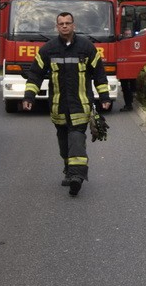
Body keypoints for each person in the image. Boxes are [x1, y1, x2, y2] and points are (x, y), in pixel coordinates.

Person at [22, 12, 111, 197]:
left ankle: (77, 177)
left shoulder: (87, 48)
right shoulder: (48, 49)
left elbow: (99, 74)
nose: (64, 26)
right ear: (57, 27)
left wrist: (104, 97)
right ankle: (68, 169)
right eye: (61, 23)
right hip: (58, 106)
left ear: (74, 25)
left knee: (77, 138)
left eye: (67, 23)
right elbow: (35, 74)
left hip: (80, 105)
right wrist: (29, 97)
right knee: (64, 144)